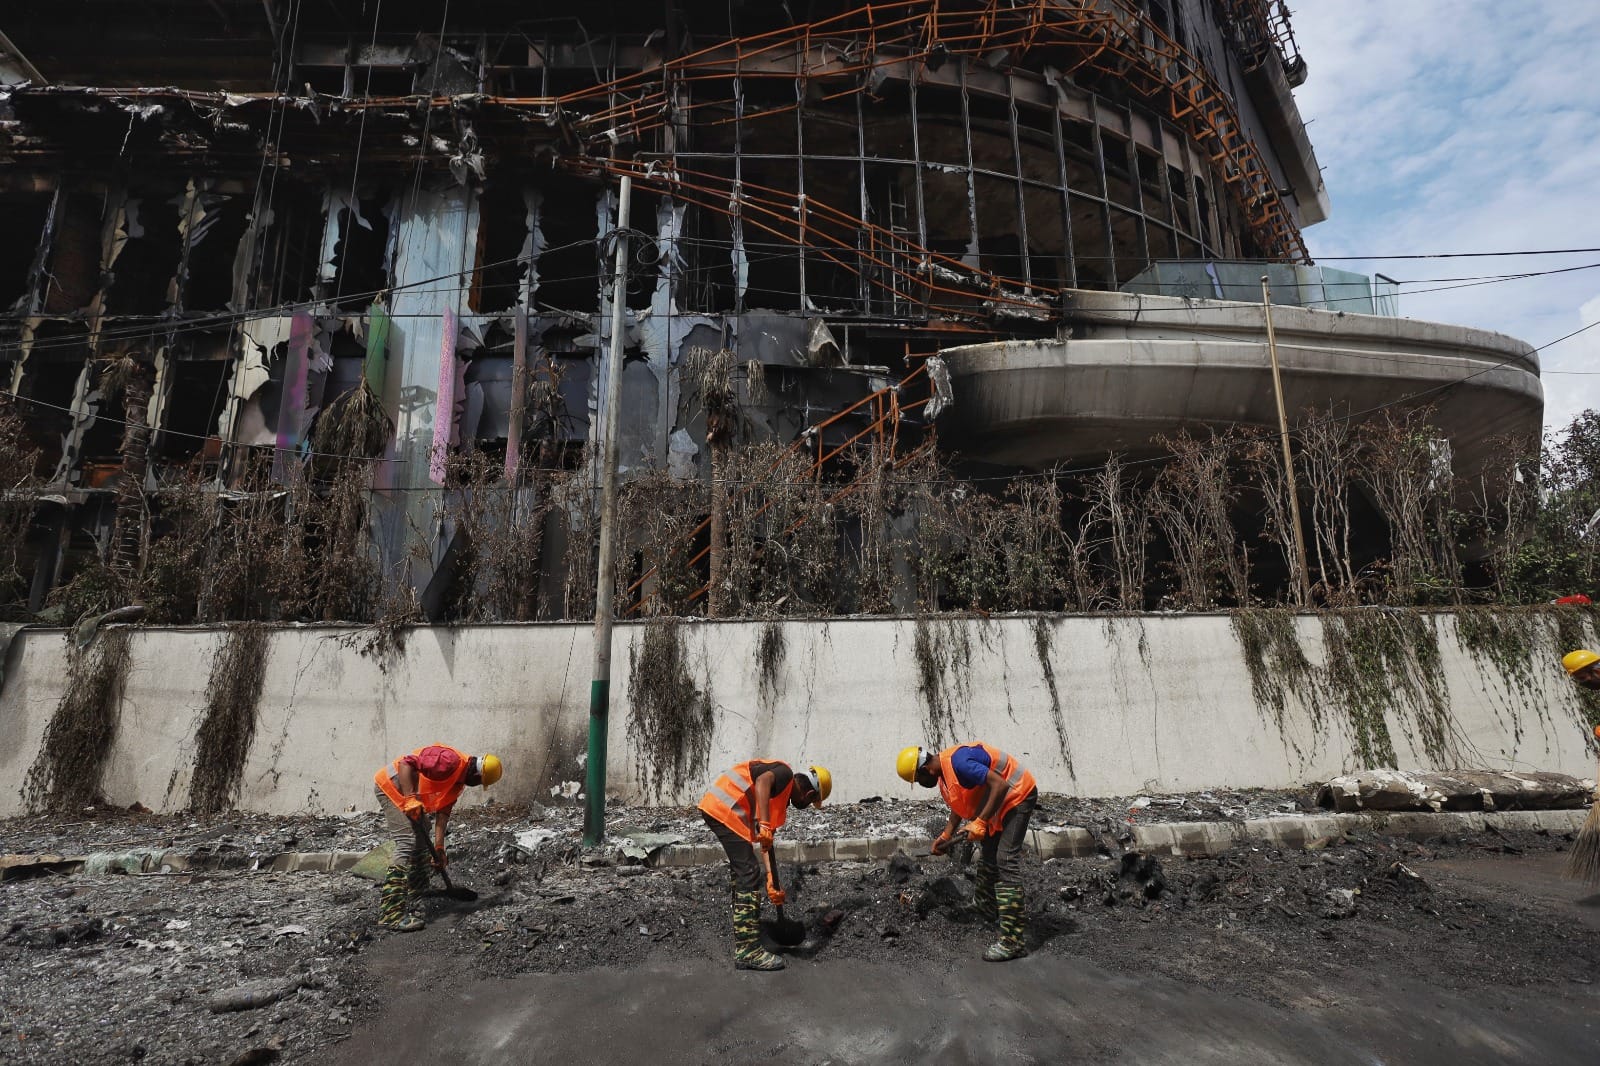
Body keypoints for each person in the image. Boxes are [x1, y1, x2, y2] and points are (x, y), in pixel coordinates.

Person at [897, 742, 1038, 961]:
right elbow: (960, 802)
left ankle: (1013, 941)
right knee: (989, 853)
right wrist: (946, 835)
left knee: (1005, 859)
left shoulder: (959, 763)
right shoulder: (945, 775)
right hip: (997, 804)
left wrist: (980, 822)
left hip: (1017, 795)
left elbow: (999, 785)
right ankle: (986, 907)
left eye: (918, 780)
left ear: (926, 770)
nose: (922, 784)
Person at [698, 758, 832, 970]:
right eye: (809, 804)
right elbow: (762, 781)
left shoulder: (780, 799)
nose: (805, 807)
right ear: (809, 795)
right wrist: (765, 825)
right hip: (724, 808)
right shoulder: (784, 773)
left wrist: (771, 880)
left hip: (723, 809)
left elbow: (766, 844)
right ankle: (747, 950)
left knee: (743, 872)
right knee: (748, 872)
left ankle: (745, 933)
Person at [372, 744, 502, 931]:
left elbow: (443, 814)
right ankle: (391, 913)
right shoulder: (449, 761)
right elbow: (406, 763)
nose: (477, 786)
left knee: (423, 829)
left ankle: (417, 889)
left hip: (405, 794)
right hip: (390, 787)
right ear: (477, 775)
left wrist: (439, 848)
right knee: (406, 841)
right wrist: (410, 799)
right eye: (480, 783)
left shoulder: (458, 782)